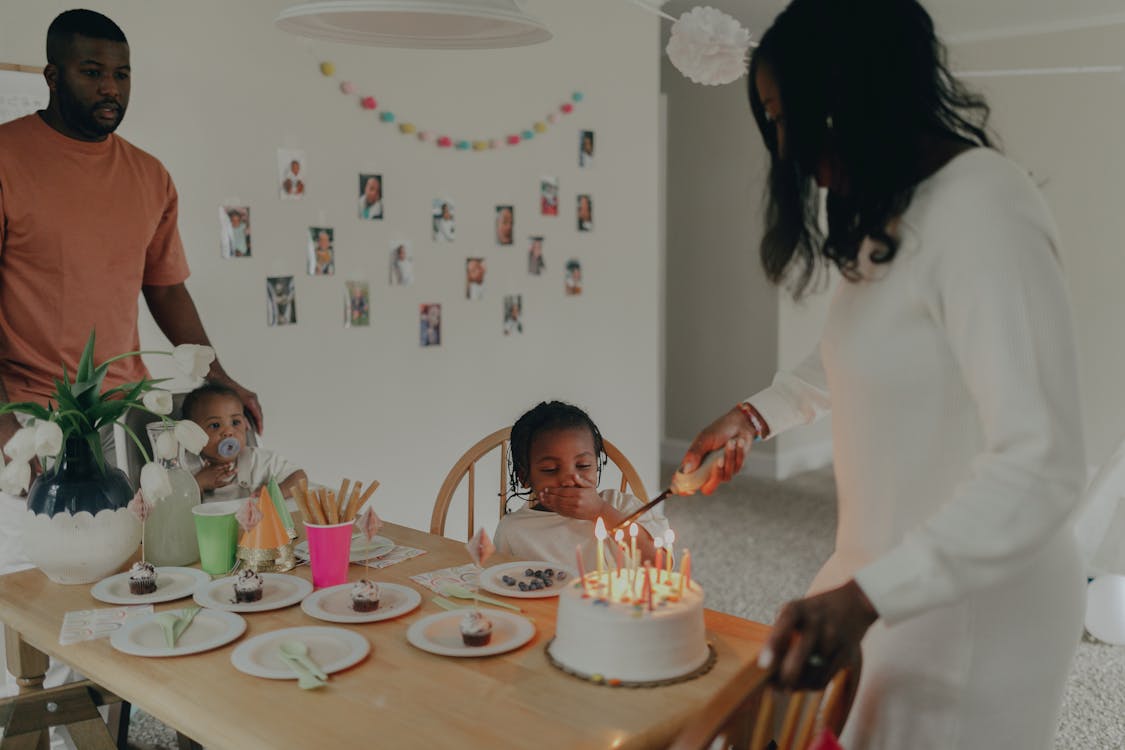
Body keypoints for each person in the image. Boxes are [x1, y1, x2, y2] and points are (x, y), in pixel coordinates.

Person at [680, 1, 1086, 747]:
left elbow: (1043, 461)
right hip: (875, 572)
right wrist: (755, 415)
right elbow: (861, 356)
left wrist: (868, 598)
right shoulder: (889, 213)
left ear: (852, 93)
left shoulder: (983, 208)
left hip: (971, 603)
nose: (784, 146)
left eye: (783, 116)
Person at [0, 8, 264, 482]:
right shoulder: (6, 159)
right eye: (92, 72)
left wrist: (217, 375)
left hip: (128, 412)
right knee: (33, 556)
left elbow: (165, 288)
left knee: (142, 552)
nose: (111, 89)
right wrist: (3, 428)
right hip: (31, 417)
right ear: (53, 77)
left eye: (121, 74)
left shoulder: (149, 175)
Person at [494, 401, 667, 570]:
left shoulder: (622, 506)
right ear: (525, 477)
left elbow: (662, 564)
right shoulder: (513, 530)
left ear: (596, 465)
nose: (569, 480)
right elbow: (501, 584)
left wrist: (601, 511)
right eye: (550, 469)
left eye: (583, 465)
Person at [182, 384, 306, 502]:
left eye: (235, 422)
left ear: (245, 425)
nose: (229, 432)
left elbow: (299, 478)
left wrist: (274, 493)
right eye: (215, 425)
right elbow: (171, 506)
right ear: (192, 434)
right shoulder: (184, 466)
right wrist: (198, 483)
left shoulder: (258, 460)